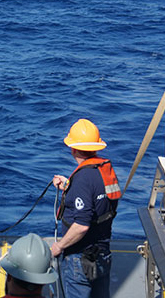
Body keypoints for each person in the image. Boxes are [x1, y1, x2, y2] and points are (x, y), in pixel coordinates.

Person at [51, 118, 121, 298]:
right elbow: (98, 198)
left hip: (79, 259)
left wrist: (58, 247)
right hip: (102, 254)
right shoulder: (105, 170)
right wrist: (69, 186)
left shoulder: (82, 179)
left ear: (73, 148)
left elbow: (81, 225)